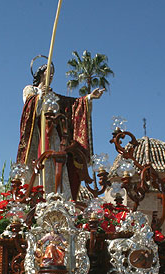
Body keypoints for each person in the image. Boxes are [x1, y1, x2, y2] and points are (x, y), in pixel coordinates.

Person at [17, 63, 104, 200]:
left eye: (52, 73)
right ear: (40, 74)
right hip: (38, 135)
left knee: (57, 160)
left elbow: (72, 104)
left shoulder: (54, 96)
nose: (51, 76)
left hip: (54, 136)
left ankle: (57, 195)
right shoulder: (30, 89)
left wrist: (89, 98)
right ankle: (36, 195)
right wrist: (40, 94)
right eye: (48, 72)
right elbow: (29, 106)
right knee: (39, 164)